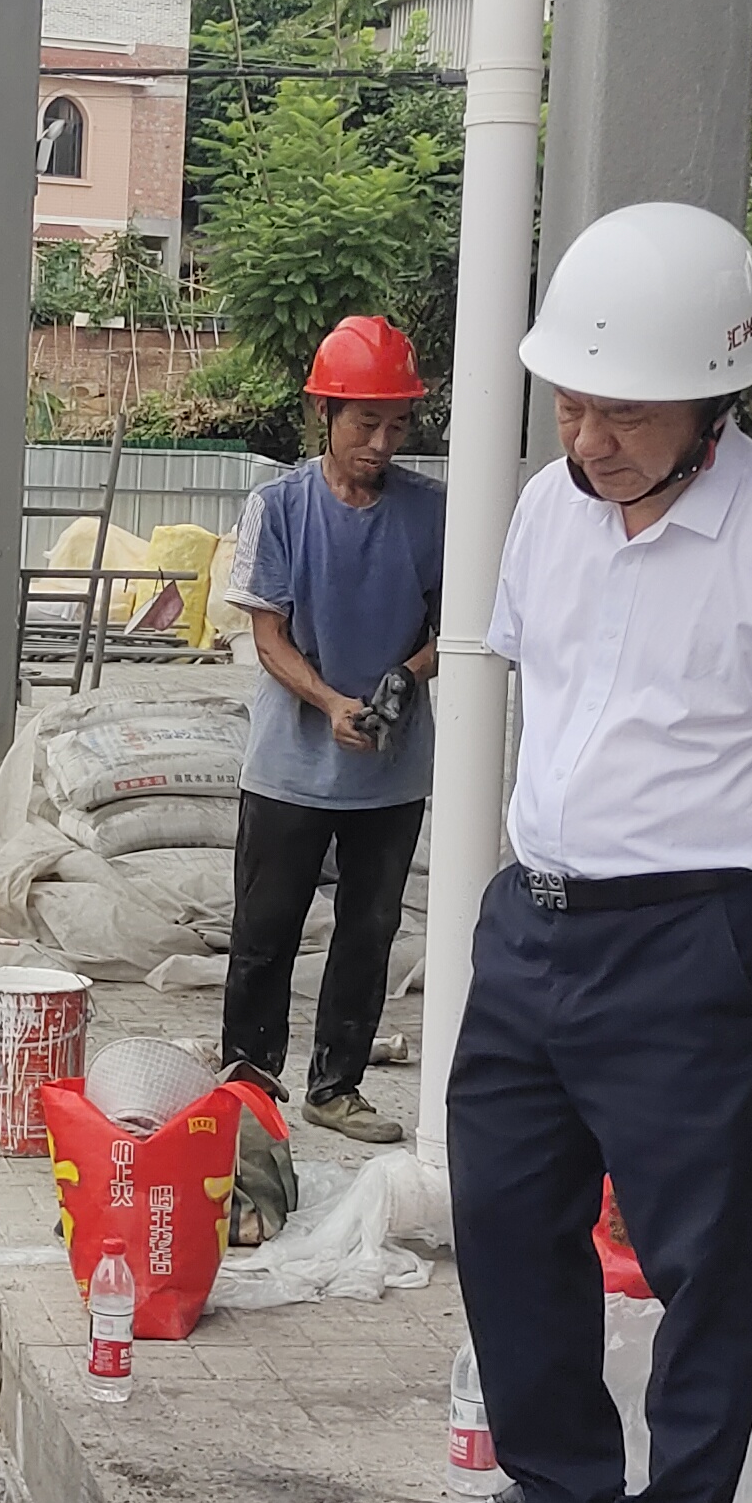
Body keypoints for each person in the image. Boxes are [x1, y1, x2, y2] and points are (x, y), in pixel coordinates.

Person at [404, 202, 752, 1503]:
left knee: (708, 1257)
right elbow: (554, 700)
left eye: (624, 412)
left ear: (716, 396)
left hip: (700, 943)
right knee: (508, 1217)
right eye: (573, 403)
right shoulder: (548, 511)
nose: (592, 436)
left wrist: (726, 874)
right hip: (536, 926)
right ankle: (562, 1490)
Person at [221, 313, 446, 1144]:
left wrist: (406, 677)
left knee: (370, 930)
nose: (381, 444)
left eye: (398, 426)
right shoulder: (279, 508)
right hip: (290, 763)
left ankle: (336, 1086)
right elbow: (269, 637)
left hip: (391, 770)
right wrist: (329, 703)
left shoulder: (433, 514)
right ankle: (248, 1086)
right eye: (365, 424)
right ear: (325, 412)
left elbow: (454, 630)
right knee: (265, 930)